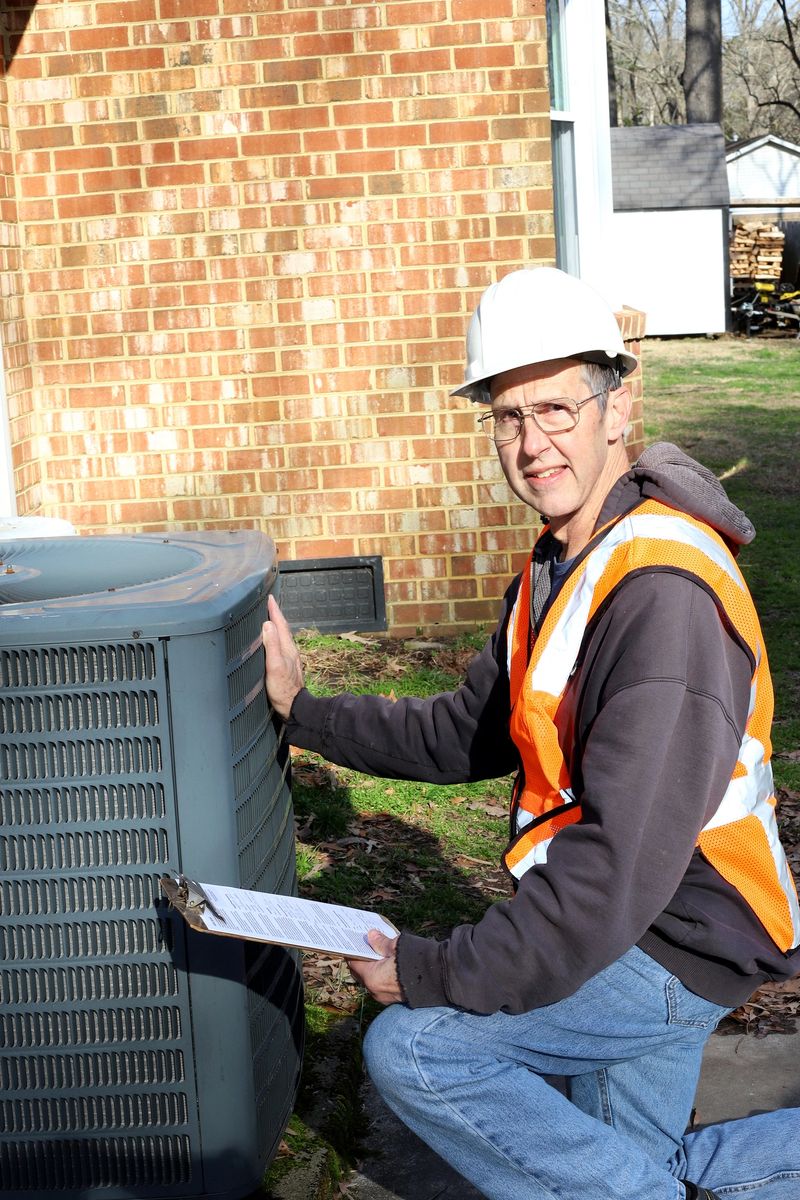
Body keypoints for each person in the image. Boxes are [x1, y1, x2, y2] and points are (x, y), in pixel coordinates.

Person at [262, 267, 800, 1200]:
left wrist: (434, 971)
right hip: (648, 915)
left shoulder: (660, 596)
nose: (531, 443)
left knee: (420, 1051)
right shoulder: (561, 566)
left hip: (672, 937)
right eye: (507, 417)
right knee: (630, 1167)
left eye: (555, 408)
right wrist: (303, 713)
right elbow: (463, 734)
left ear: (617, 405)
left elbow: (616, 868)